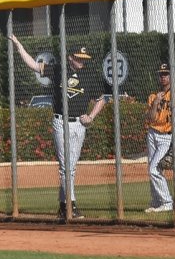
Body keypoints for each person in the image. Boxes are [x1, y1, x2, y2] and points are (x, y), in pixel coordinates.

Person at [9, 34, 106, 221]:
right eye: (78, 58)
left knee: (71, 167)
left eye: (84, 59)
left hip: (79, 123)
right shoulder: (59, 70)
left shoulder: (90, 75)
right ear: (70, 57)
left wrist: (91, 116)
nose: (81, 61)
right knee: (66, 166)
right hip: (61, 122)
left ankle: (63, 206)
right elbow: (34, 66)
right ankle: (71, 205)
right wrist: (19, 46)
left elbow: (102, 99)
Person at [144, 63, 175, 213]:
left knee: (153, 168)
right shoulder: (153, 96)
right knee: (153, 168)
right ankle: (157, 201)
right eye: (161, 74)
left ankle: (167, 202)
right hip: (152, 134)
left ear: (171, 76)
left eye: (166, 74)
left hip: (167, 136)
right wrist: (155, 103)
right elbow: (151, 118)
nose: (163, 77)